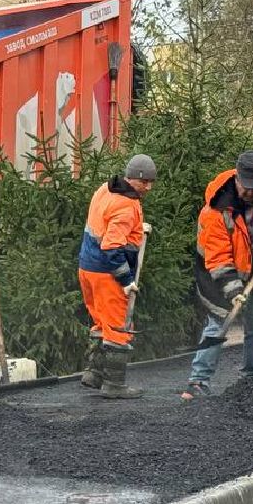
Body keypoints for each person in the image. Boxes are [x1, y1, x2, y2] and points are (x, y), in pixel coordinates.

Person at [183, 151, 253, 400]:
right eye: (246, 188)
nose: (250, 193)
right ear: (237, 178)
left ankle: (251, 378)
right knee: (218, 324)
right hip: (217, 274)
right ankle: (198, 381)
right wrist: (233, 292)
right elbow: (219, 259)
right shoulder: (216, 211)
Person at [77, 154, 156, 399]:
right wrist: (125, 281)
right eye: (147, 183)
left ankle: (94, 374)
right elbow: (112, 246)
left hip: (87, 269)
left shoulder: (105, 190)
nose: (149, 188)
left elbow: (103, 225)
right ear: (136, 179)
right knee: (118, 327)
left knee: (101, 322)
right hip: (107, 273)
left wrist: (134, 228)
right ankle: (114, 384)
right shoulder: (126, 205)